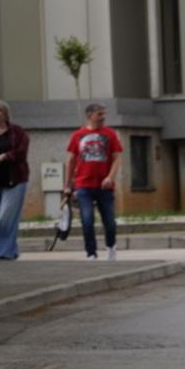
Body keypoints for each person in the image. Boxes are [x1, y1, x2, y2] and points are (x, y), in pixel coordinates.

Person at [65, 103, 124, 262]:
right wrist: (67, 186)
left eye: (104, 114)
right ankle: (91, 253)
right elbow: (70, 161)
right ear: (90, 115)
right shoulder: (78, 135)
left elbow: (117, 158)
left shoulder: (110, 134)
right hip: (83, 185)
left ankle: (111, 247)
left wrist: (110, 177)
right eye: (100, 114)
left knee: (110, 222)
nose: (103, 117)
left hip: (105, 186)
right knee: (87, 220)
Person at [0, 100, 31, 261]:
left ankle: (3, 253)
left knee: (5, 218)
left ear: (5, 113)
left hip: (15, 180)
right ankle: (2, 250)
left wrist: (4, 157)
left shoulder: (17, 132)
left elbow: (21, 152)